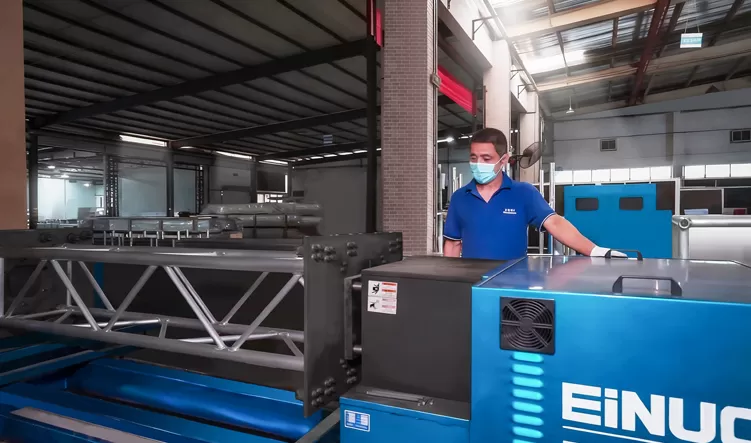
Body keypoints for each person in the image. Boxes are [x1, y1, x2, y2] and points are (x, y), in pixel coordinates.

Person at [443, 127, 623, 260]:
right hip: (473, 283)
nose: (478, 164)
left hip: (512, 282)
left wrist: (594, 250)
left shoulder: (523, 193)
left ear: (503, 160)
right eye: (473, 158)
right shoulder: (460, 197)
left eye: (486, 158)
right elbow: (452, 243)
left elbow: (555, 223)